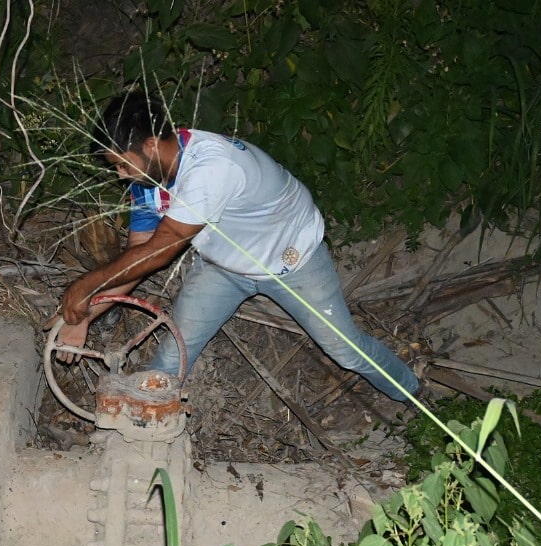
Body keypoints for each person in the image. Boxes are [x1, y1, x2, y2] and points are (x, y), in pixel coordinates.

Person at [52, 91, 419, 403]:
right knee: (171, 357)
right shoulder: (148, 177)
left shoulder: (212, 168)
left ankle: (411, 392)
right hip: (225, 266)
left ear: (150, 144)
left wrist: (83, 288)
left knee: (345, 349)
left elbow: (160, 251)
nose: (120, 175)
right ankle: (143, 430)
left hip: (291, 258)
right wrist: (84, 314)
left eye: (120, 164)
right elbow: (139, 258)